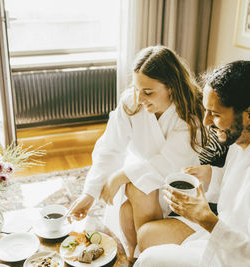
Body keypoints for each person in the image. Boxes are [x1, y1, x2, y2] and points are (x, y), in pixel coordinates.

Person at [134, 60, 250, 266]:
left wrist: (206, 220)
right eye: (207, 111)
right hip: (229, 234)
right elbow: (244, 186)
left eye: (215, 114)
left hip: (243, 256)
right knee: (147, 236)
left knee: (149, 260)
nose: (207, 121)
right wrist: (211, 174)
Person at [67, 45, 208, 261]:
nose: (140, 98)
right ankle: (139, 256)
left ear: (171, 87)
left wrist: (120, 176)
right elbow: (110, 147)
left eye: (148, 92)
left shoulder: (189, 115)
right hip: (141, 178)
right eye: (136, 89)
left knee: (130, 202)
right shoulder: (131, 102)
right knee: (134, 193)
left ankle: (141, 256)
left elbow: (170, 164)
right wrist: (90, 193)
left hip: (175, 183)